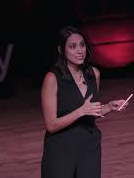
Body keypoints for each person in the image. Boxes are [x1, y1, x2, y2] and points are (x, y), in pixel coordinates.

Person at [40, 25, 129, 178]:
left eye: (82, 45)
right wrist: (80, 111)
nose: (80, 51)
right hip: (61, 150)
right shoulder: (52, 78)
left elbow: (91, 112)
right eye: (73, 47)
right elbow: (51, 125)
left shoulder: (94, 74)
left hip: (89, 147)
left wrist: (109, 106)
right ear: (62, 50)